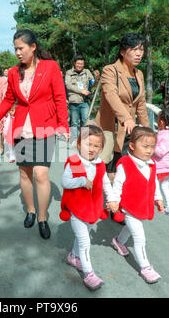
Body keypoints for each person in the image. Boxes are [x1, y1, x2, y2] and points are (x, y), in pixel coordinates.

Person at [0, 29, 70, 239]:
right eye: (15, 49)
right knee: (24, 173)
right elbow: (8, 100)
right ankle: (30, 210)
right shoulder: (13, 72)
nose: (18, 52)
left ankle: (42, 217)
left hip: (45, 126)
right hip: (22, 127)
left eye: (21, 48)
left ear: (33, 47)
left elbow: (59, 97)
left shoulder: (51, 67)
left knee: (41, 174)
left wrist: (63, 125)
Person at [108, 126, 164, 284]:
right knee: (139, 237)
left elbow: (154, 183)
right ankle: (146, 267)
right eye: (145, 146)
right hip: (129, 206)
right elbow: (117, 185)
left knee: (132, 227)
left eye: (152, 147)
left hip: (142, 204)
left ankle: (118, 241)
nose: (149, 151)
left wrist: (158, 198)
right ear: (132, 146)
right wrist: (113, 200)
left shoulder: (151, 163)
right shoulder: (124, 163)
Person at [60, 125, 112, 291]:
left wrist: (111, 199)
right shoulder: (76, 162)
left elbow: (105, 183)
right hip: (77, 208)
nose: (91, 149)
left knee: (85, 235)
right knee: (84, 241)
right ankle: (89, 273)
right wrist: (82, 181)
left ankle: (73, 257)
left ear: (101, 148)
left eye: (96, 146)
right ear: (79, 144)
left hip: (92, 208)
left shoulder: (100, 165)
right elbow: (65, 182)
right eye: (88, 144)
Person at [95, 33, 149, 177]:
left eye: (141, 49)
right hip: (110, 129)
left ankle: (117, 198)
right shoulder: (110, 70)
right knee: (105, 170)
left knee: (123, 171)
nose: (139, 53)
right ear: (122, 52)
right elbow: (111, 95)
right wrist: (126, 118)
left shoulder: (139, 74)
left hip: (128, 132)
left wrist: (148, 130)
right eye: (134, 49)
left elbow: (141, 104)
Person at [153, 108, 169, 217]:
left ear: (162, 122)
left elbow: (160, 152)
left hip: (163, 165)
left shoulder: (164, 135)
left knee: (154, 183)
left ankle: (159, 201)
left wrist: (152, 145)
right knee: (165, 187)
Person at [65, 55, 94, 143]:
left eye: (82, 64)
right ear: (74, 63)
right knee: (74, 122)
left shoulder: (87, 72)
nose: (80, 65)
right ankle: (74, 140)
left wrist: (95, 81)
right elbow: (68, 85)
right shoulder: (69, 73)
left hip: (84, 101)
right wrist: (81, 91)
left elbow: (92, 81)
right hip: (74, 102)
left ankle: (85, 140)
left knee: (85, 121)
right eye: (78, 63)